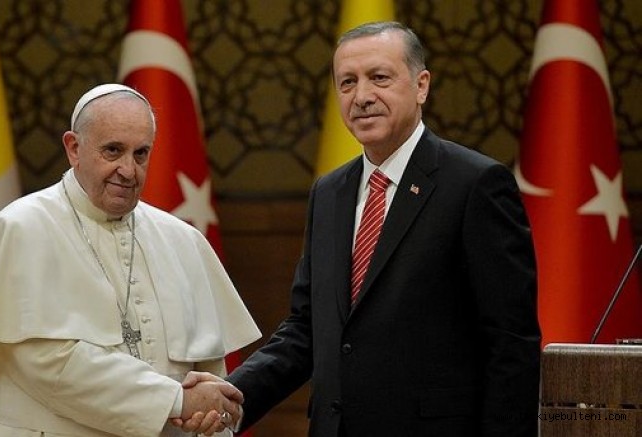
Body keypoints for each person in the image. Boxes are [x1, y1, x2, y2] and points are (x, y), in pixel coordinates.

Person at [179, 21, 541, 436]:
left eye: (379, 78)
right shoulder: (329, 192)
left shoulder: (475, 184)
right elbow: (306, 329)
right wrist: (234, 395)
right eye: (347, 82)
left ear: (421, 86)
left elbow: (511, 344)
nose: (362, 96)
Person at [0, 83, 261, 437]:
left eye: (140, 154)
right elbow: (46, 363)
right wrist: (176, 400)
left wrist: (212, 415)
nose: (128, 170)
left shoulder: (183, 241)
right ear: (74, 148)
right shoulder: (22, 228)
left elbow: (210, 378)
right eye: (113, 151)